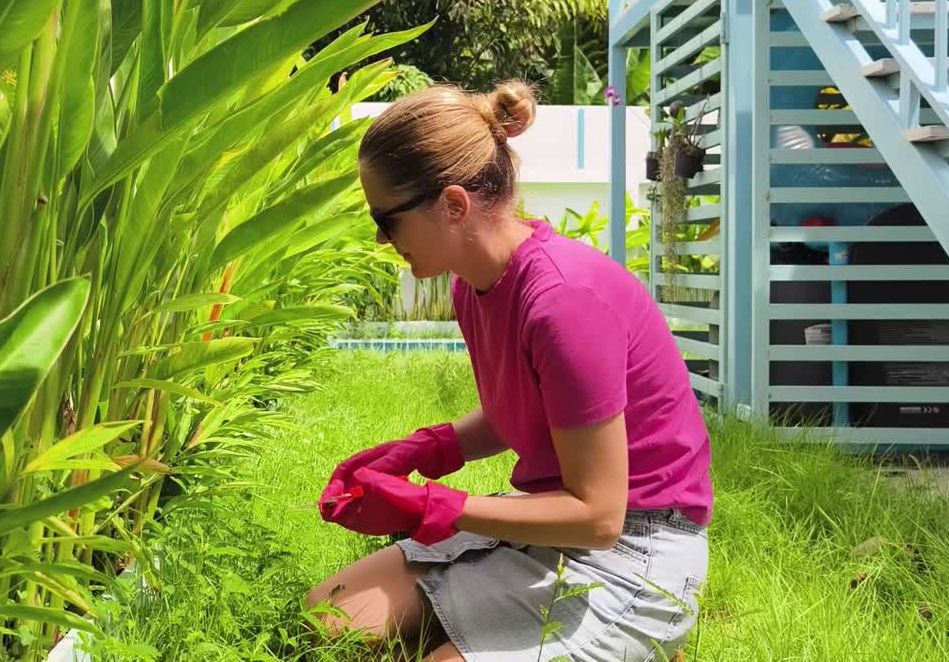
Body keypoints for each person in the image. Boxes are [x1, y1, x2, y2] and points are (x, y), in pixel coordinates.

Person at [305, 81, 713, 662]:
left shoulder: (563, 303)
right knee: (329, 615)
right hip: (546, 522)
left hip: (637, 548)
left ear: (451, 204)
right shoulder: (475, 284)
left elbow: (599, 517)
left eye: (386, 218)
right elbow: (519, 410)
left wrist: (434, 508)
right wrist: (424, 450)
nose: (379, 236)